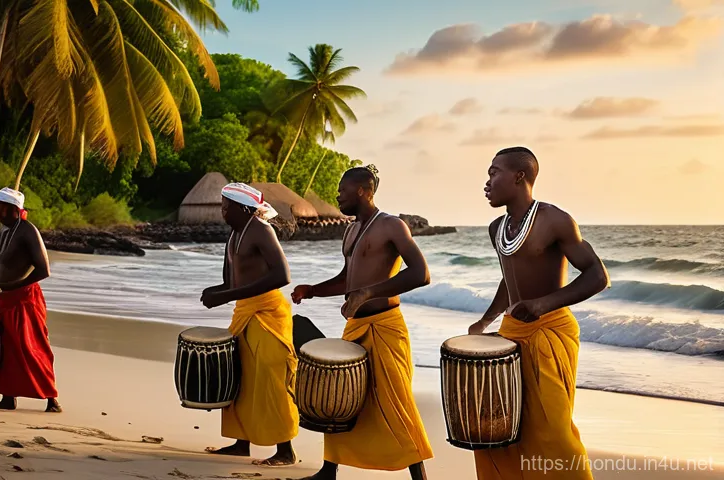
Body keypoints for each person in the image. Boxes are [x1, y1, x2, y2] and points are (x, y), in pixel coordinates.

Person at [468, 147, 610, 479]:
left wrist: (542, 304)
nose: (487, 182)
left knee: (552, 430)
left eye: (494, 172)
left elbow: (597, 275)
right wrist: (486, 320)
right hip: (512, 333)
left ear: (519, 177)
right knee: (500, 430)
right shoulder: (496, 229)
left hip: (551, 331)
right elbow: (510, 279)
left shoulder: (554, 220)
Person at [291, 165, 434, 480]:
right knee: (341, 397)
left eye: (342, 189)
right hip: (355, 326)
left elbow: (420, 273)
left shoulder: (392, 226)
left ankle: (419, 476)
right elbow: (347, 279)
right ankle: (329, 471)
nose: (337, 195)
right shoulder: (351, 230)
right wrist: (313, 290)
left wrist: (368, 293)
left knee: (395, 400)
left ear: (362, 191)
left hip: (385, 326)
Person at [200, 182, 298, 467]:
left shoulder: (262, 231)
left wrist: (226, 296)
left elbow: (283, 275)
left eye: (226, 207)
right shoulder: (234, 236)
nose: (223, 211)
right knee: (240, 379)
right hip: (244, 312)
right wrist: (215, 292)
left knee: (271, 381)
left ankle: (285, 451)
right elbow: (233, 282)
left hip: (269, 314)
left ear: (244, 209)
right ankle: (242, 443)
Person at [0, 188, 61, 412]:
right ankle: (8, 397)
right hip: (4, 297)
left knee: (31, 347)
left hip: (25, 299)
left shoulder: (28, 231)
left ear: (14, 210)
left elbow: (43, 270)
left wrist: (9, 286)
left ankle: (51, 398)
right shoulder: (4, 232)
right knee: (5, 348)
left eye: (1, 207)